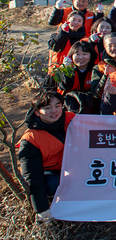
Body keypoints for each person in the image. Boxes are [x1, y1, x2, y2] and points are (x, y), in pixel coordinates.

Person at [19, 91, 74, 222]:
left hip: (72, 168)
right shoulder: (31, 139)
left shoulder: (71, 119)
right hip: (50, 174)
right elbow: (33, 177)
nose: (54, 111)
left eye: (57, 105)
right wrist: (42, 210)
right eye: (47, 108)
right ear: (37, 112)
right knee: (53, 184)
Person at [59, 42, 97, 114]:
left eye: (84, 54)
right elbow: (65, 87)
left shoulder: (96, 70)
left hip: (90, 107)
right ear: (71, 56)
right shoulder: (62, 70)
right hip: (68, 107)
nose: (81, 57)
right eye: (77, 54)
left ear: (91, 55)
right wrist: (67, 70)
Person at [91, 32, 116, 103]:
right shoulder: (100, 67)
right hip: (111, 106)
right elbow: (96, 94)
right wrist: (105, 76)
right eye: (109, 46)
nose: (113, 48)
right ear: (105, 48)